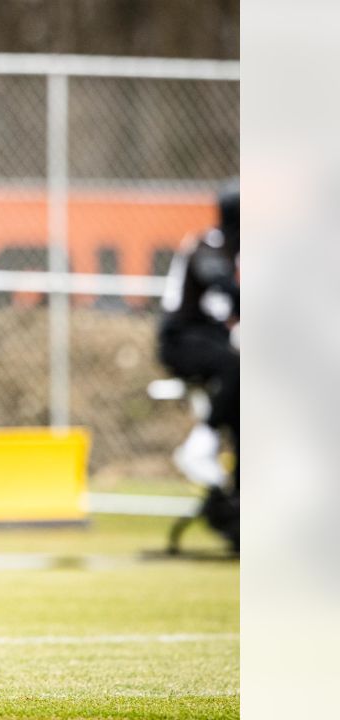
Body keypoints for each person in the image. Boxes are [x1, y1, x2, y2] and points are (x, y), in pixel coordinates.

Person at [158, 181, 239, 548]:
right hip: (181, 341)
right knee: (236, 366)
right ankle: (201, 443)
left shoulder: (236, 252)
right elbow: (221, 286)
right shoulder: (208, 246)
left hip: (212, 343)